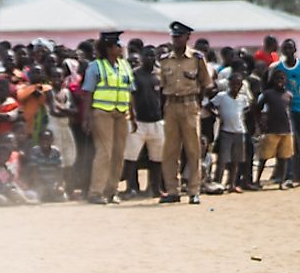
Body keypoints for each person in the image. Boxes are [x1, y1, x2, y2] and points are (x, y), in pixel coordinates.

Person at [159, 21, 212, 204]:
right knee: (170, 150)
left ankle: (193, 190)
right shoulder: (165, 59)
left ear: (187, 37)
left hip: (190, 105)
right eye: (174, 36)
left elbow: (205, 83)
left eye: (179, 36)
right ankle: (172, 190)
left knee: (193, 149)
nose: (176, 40)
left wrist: (197, 103)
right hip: (171, 106)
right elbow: (161, 85)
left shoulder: (196, 58)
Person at [82, 31, 136, 204]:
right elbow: (88, 93)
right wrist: (87, 118)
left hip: (121, 113)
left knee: (119, 153)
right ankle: (95, 192)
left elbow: (130, 92)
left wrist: (133, 115)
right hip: (102, 112)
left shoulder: (125, 66)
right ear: (109, 48)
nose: (121, 48)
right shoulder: (96, 66)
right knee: (104, 152)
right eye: (117, 45)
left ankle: (112, 190)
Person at [122, 45, 164, 198]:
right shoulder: (134, 75)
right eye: (147, 56)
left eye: (153, 56)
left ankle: (155, 188)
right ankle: (131, 188)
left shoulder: (159, 75)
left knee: (157, 158)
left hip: (157, 122)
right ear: (141, 57)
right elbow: (130, 97)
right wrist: (132, 117)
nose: (150, 59)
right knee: (131, 157)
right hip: (138, 122)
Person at [271, 39, 300, 186]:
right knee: (291, 142)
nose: (288, 51)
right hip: (288, 110)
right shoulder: (277, 67)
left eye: (291, 48)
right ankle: (288, 175)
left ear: (295, 49)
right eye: (285, 48)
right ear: (282, 50)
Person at [210, 71, 250, 193]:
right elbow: (210, 105)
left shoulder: (243, 98)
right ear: (229, 84)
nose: (235, 87)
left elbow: (247, 109)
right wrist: (217, 114)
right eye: (233, 84)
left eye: (238, 85)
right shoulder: (222, 97)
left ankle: (231, 183)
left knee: (236, 160)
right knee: (223, 159)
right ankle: (217, 183)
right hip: (226, 131)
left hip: (239, 131)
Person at [255, 69, 294, 189]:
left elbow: (289, 111)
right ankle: (257, 180)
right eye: (277, 79)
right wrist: (260, 124)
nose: (280, 81)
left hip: (286, 129)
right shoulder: (268, 94)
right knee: (264, 157)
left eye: (282, 79)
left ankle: (281, 182)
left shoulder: (288, 95)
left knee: (283, 158)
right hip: (272, 129)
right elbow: (257, 108)